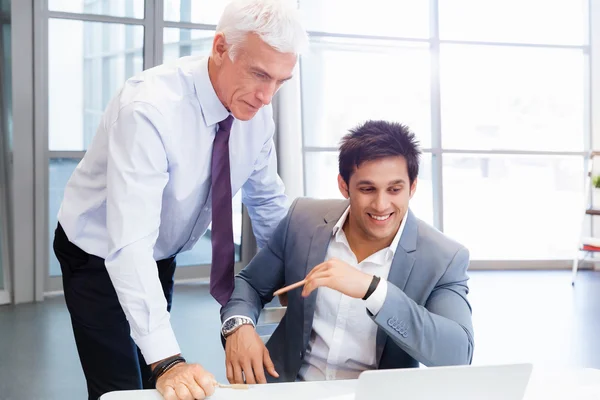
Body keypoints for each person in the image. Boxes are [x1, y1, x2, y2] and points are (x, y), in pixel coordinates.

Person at [52, 1, 308, 399]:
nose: (266, 97)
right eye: (259, 74)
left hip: (161, 251)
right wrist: (169, 361)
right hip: (97, 249)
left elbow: (268, 204)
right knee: (122, 386)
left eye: (280, 81)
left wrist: (299, 276)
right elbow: (129, 243)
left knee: (149, 369)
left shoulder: (257, 114)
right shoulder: (149, 109)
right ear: (221, 48)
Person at [220, 120, 474, 384]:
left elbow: (458, 353)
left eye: (395, 189)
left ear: (412, 187)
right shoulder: (303, 219)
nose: (381, 204)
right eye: (367, 189)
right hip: (288, 389)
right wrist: (238, 325)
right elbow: (250, 284)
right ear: (344, 185)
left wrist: (373, 290)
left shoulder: (443, 257)